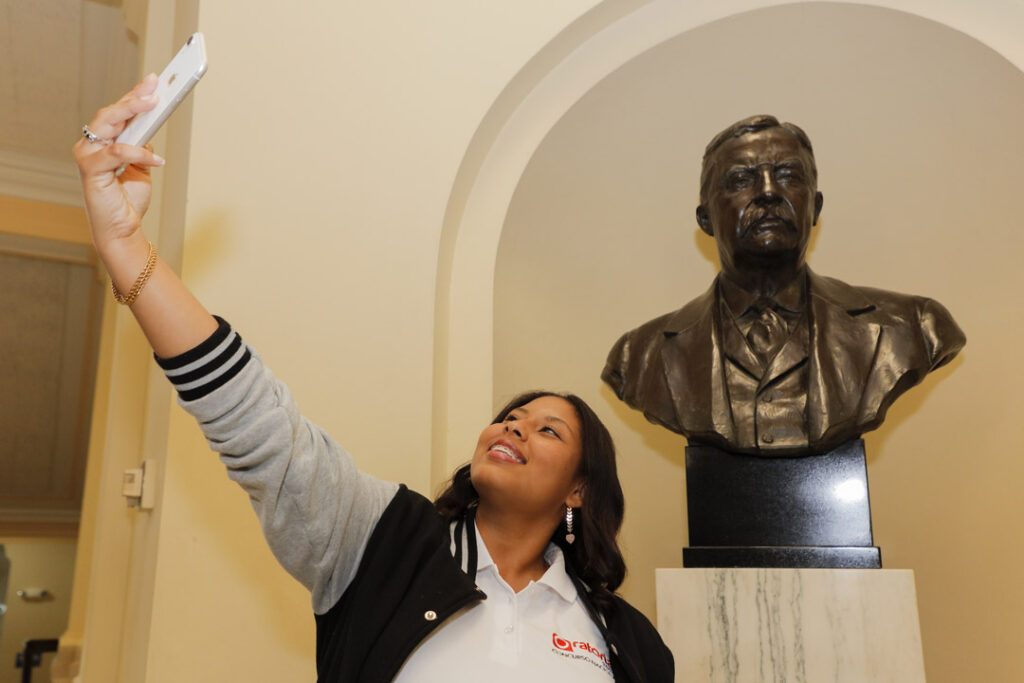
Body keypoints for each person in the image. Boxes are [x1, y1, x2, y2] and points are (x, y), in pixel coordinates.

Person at [74, 76, 674, 682]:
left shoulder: (627, 641)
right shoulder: (382, 545)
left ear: (578, 491)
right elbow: (260, 425)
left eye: (548, 431)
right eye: (511, 417)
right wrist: (124, 244)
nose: (515, 428)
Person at [602, 115, 965, 457]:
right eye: (742, 179)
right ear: (706, 218)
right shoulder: (640, 356)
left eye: (788, 175)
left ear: (816, 208)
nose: (769, 192)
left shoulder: (913, 327)